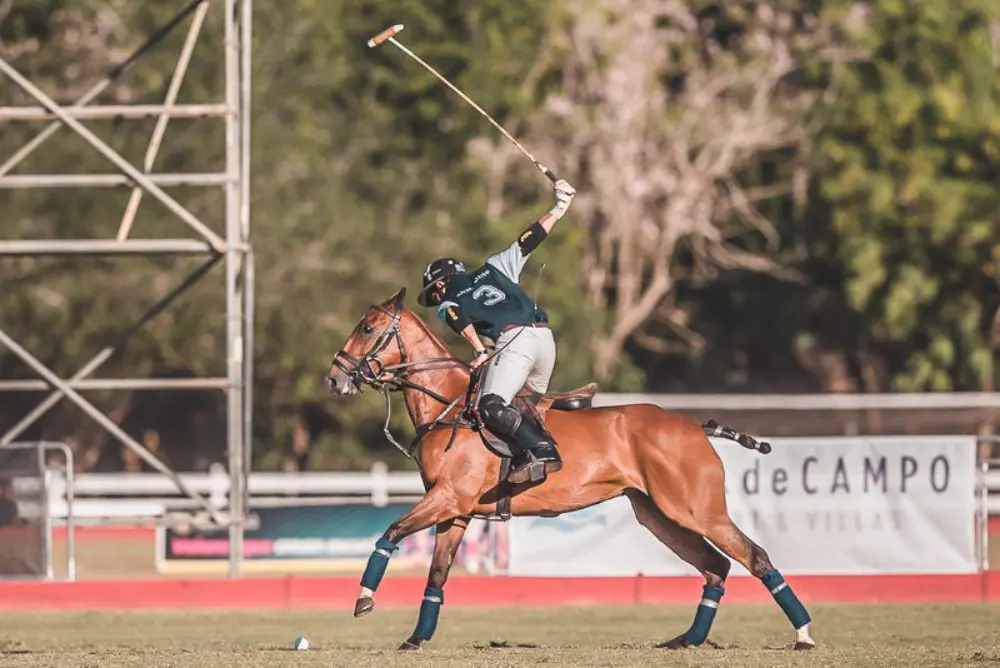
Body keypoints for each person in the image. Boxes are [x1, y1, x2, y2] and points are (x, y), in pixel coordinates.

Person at [417, 178, 577, 484]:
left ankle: (543, 452)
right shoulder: (494, 267)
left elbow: (453, 315)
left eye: (432, 294)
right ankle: (525, 459)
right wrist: (559, 207)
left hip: (516, 342)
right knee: (525, 408)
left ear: (439, 284)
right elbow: (528, 240)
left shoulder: (447, 300)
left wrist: (478, 350)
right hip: (545, 339)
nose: (435, 301)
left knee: (490, 405)